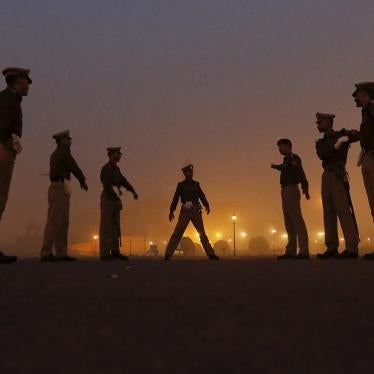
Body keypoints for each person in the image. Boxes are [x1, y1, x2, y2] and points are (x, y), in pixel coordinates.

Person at [315, 113, 360, 259]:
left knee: (343, 210)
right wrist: (338, 145)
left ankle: (351, 247)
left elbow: (359, 136)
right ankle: (331, 247)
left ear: (329, 122)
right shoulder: (320, 142)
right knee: (328, 212)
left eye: (320, 122)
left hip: (338, 174)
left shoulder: (341, 133)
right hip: (326, 175)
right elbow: (323, 154)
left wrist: (347, 136)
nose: (318, 125)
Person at [40, 130, 88, 262]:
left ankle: (61, 252)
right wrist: (82, 180)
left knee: (63, 222)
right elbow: (74, 167)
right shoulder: (62, 153)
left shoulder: (59, 153)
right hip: (59, 187)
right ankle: (46, 252)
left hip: (63, 187)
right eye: (68, 139)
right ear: (61, 141)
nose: (70, 141)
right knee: (55, 221)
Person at [0, 67, 32, 264]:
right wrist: (5, 145)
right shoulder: (9, 99)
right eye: (26, 80)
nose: (28, 85)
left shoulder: (9, 99)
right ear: (18, 80)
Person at [164, 164, 219, 260]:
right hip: (185, 210)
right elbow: (175, 198)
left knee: (202, 233)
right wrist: (171, 211)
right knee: (178, 232)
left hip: (195, 209)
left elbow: (202, 195)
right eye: (189, 172)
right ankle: (168, 253)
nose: (191, 173)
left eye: (192, 172)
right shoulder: (181, 185)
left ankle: (210, 253)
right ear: (185, 173)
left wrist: (206, 205)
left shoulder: (196, 184)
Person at [271, 139, 310, 259]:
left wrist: (305, 187)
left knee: (297, 220)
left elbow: (300, 172)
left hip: (291, 189)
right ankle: (291, 250)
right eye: (279, 147)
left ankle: (303, 251)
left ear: (288, 146)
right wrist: (276, 166)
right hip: (285, 190)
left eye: (281, 147)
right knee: (289, 221)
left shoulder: (294, 158)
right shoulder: (287, 159)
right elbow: (284, 168)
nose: (280, 149)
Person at [99, 147, 138, 261]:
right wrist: (116, 199)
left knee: (115, 226)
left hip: (115, 199)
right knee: (106, 226)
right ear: (111, 155)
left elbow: (123, 181)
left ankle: (115, 251)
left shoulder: (116, 169)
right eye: (118, 154)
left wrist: (132, 191)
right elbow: (107, 185)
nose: (120, 155)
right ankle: (105, 253)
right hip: (108, 198)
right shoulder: (106, 169)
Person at [352, 82, 374, 260]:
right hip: (368, 157)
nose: (355, 97)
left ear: (366, 94)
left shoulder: (372, 109)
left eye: (358, 94)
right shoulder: (366, 112)